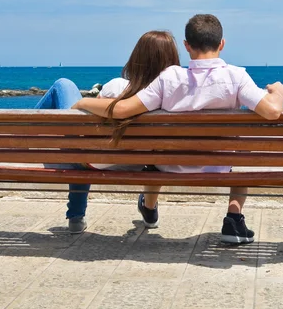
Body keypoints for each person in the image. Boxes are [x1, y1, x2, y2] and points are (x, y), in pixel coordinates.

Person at [73, 14, 283, 244]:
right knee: (242, 167)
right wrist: (278, 92)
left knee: (153, 162)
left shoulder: (169, 78)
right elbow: (273, 112)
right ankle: (233, 222)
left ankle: (149, 208)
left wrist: (83, 102)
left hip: (169, 167)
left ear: (187, 46)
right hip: (217, 169)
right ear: (222, 44)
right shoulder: (236, 77)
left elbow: (124, 109)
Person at [33, 30, 181, 234]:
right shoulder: (171, 100)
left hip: (88, 158)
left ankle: (19, 138)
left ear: (136, 58)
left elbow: (88, 124)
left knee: (63, 85)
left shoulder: (117, 87)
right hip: (134, 164)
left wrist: (83, 102)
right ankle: (146, 209)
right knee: (85, 149)